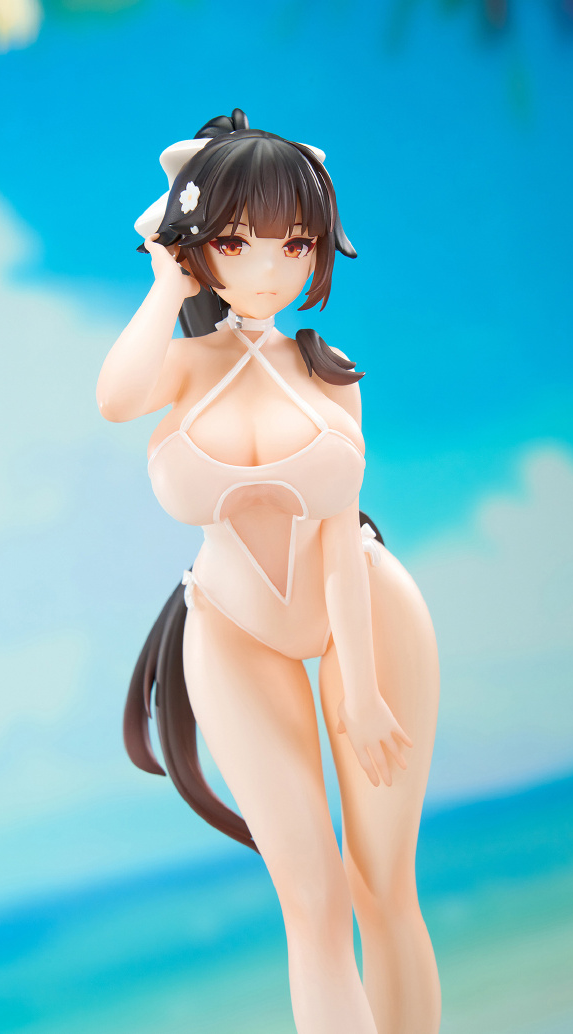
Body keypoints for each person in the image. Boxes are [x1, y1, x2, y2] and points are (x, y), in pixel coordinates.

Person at [97, 108, 441, 1034]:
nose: (269, 268)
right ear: (196, 244)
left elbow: (335, 533)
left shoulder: (328, 369)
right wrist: (164, 287)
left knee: (383, 886)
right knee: (313, 902)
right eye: (236, 242)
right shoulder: (178, 367)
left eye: (295, 244)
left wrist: (360, 689)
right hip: (232, 628)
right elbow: (114, 398)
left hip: (364, 608)